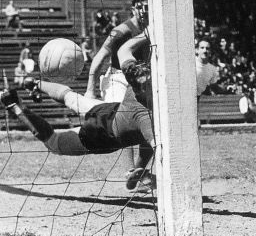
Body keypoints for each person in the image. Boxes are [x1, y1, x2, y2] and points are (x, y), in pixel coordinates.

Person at [1, 81, 154, 191]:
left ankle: (35, 83)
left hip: (109, 110)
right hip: (102, 135)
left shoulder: (134, 84)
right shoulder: (149, 119)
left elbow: (123, 50)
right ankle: (15, 106)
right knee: (54, 142)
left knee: (70, 97)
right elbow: (155, 145)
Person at [85, 0, 148, 101]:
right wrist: (90, 91)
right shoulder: (120, 31)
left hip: (142, 75)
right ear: (133, 10)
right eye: (139, 7)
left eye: (146, 7)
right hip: (119, 78)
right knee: (117, 110)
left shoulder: (154, 27)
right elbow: (100, 57)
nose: (142, 11)